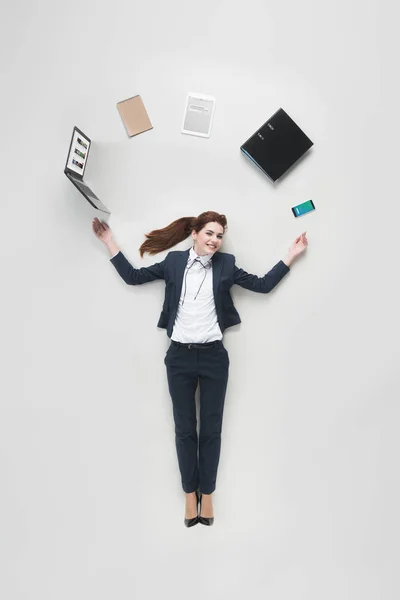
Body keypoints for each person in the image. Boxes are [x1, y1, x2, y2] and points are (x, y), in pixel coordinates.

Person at [92, 211, 308, 527]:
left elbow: (262, 285)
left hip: (213, 359)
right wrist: (109, 242)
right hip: (178, 359)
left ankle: (206, 493)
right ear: (194, 233)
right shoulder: (173, 263)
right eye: (209, 233)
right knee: (184, 430)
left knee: (210, 430)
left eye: (219, 236)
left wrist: (290, 256)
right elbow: (134, 277)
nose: (214, 240)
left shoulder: (227, 265)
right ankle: (188, 493)